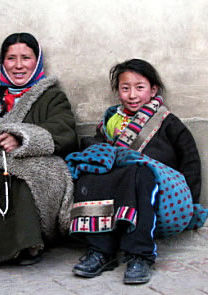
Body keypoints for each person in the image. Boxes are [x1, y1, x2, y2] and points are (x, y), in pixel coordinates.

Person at [66, 59, 208, 284]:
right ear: (117, 91)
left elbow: (189, 159)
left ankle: (140, 254)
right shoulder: (110, 122)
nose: (132, 95)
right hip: (121, 187)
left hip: (160, 193)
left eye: (139, 87)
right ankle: (101, 250)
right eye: (125, 88)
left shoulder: (168, 123)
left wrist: (190, 202)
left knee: (141, 171)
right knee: (92, 175)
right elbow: (103, 153)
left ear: (153, 90)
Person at [0, 32, 78, 266]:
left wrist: (22, 139)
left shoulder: (52, 97)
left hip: (39, 164)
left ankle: (28, 245)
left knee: (22, 176)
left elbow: (65, 131)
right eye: (11, 58)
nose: (18, 66)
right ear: (3, 63)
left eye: (26, 58)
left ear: (37, 62)